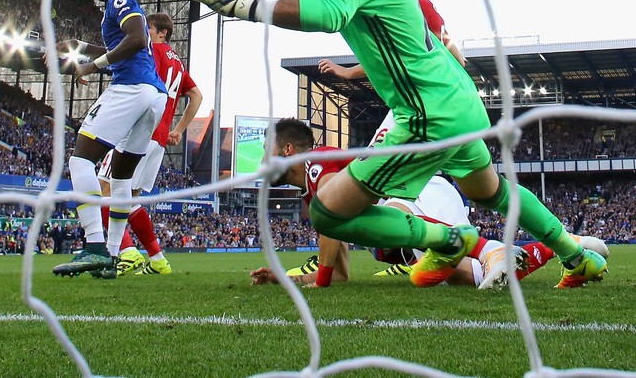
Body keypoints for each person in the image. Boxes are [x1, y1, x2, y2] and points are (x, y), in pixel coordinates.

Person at [178, 0, 606, 288]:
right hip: (459, 97)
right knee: (491, 190)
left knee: (328, 211)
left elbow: (329, 13)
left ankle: (449, 240)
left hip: (427, 113)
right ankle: (576, 255)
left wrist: (245, 3)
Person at [252, 119, 604, 288]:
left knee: (394, 221)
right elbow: (337, 272)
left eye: (265, 151)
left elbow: (329, 240)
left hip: (419, 191)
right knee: (466, 278)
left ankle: (488, 248)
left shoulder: (316, 163)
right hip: (425, 186)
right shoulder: (318, 188)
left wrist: (321, 282)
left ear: (287, 152)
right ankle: (561, 247)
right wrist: (286, 279)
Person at [52, 0, 167, 278]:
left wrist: (93, 64)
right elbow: (127, 47)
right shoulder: (125, 7)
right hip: (154, 96)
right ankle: (113, 257)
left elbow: (137, 39)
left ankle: (94, 245)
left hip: (130, 87)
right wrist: (84, 47)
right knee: (121, 180)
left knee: (80, 161)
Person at [317, 0, 467, 146]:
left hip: (421, 103)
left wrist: (348, 72)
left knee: (373, 163)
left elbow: (396, 58)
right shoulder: (418, 5)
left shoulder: (416, 5)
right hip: (422, 102)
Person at [97, 12, 202, 276]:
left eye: (149, 27)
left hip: (138, 131)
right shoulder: (178, 64)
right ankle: (157, 259)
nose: (144, 32)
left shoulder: (151, 50)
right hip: (159, 138)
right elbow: (196, 96)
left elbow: (140, 83)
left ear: (161, 32)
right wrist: (177, 129)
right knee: (130, 199)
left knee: (104, 190)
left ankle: (127, 252)